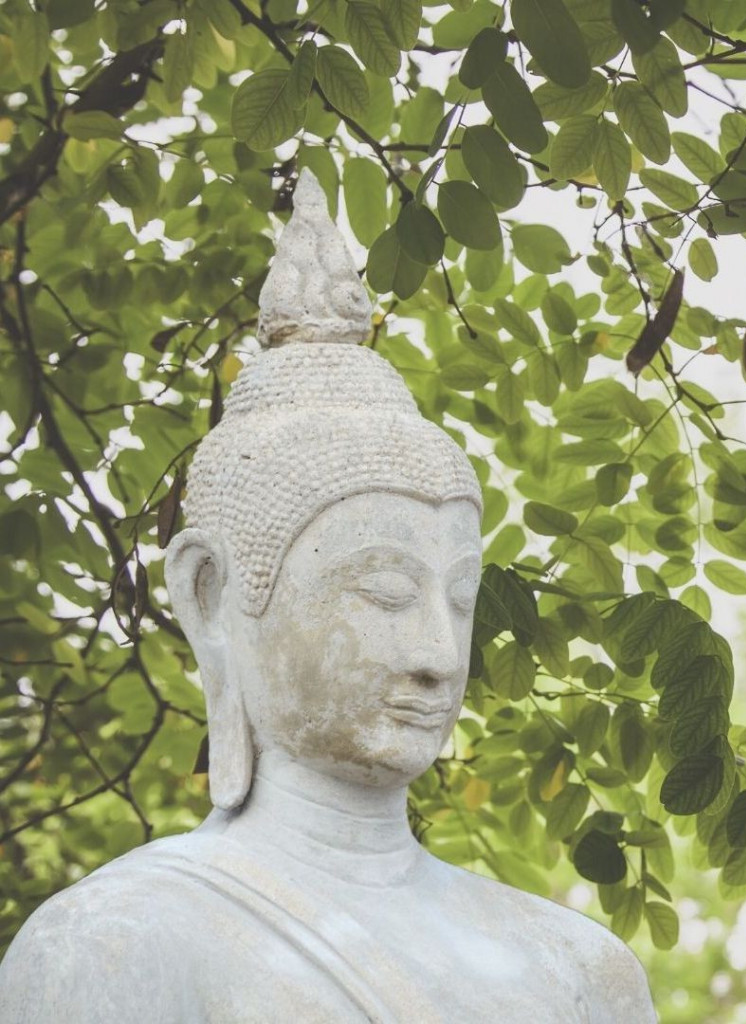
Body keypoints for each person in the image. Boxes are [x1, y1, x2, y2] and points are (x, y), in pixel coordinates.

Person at [0, 172, 656, 1023]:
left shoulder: (581, 968)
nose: (437, 654)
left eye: (460, 597)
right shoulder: (112, 945)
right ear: (211, 598)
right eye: (385, 591)